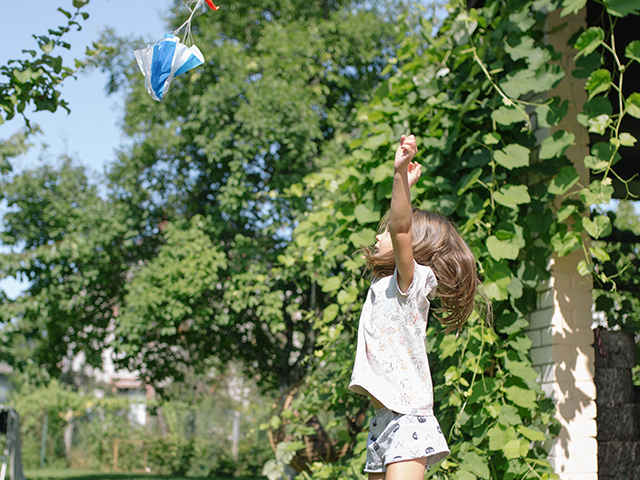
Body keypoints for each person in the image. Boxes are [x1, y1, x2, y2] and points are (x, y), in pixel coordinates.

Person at [349, 134, 483, 479]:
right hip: (383, 420)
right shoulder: (384, 285)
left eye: (386, 232)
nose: (379, 237)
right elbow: (400, 227)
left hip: (407, 419)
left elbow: (401, 227)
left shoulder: (410, 282)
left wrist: (399, 175)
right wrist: (404, 185)